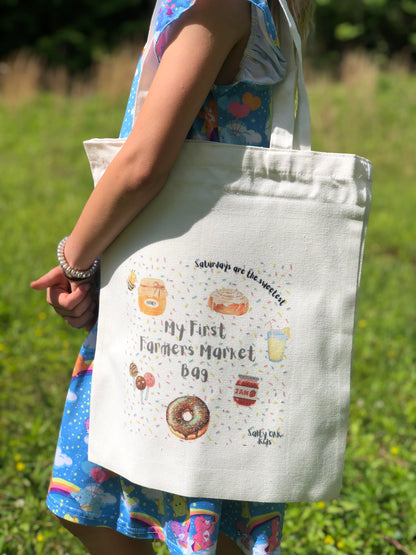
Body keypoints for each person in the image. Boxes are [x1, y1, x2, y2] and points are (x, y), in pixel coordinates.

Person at [31, 1, 314, 553]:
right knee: (183, 506)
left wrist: (77, 258)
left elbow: (143, 162)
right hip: (196, 291)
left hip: (191, 305)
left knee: (183, 499)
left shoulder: (216, 5)